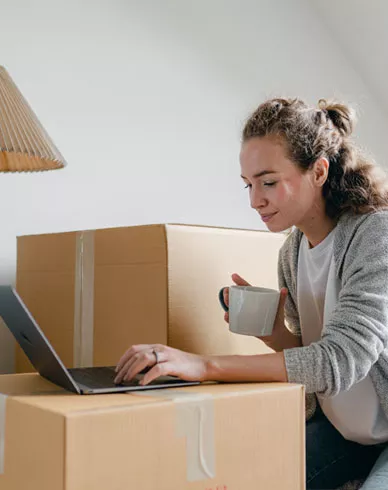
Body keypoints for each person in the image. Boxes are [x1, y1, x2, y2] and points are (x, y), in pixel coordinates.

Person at [115, 97, 388, 489]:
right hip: (346, 433)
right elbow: (314, 361)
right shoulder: (292, 253)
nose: (254, 200)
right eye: (249, 184)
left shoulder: (375, 234)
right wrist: (276, 334)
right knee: (244, 476)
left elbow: (338, 362)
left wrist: (202, 365)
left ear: (319, 171)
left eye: (269, 182)